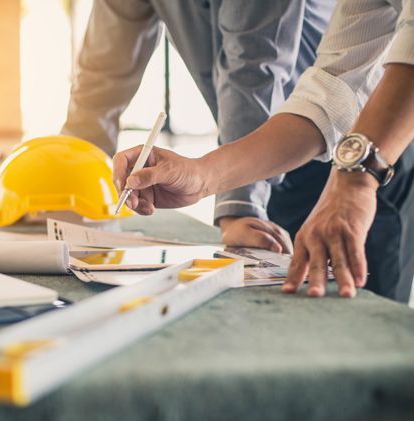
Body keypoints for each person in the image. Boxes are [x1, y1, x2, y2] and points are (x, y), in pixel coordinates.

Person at [113, 0, 414, 300]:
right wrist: (201, 174)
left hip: (385, 156)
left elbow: (253, 67)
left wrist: (354, 180)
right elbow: (332, 91)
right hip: (330, 155)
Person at [62, 0, 335, 257]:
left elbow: (253, 66)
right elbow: (104, 70)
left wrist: (240, 207)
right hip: (249, 163)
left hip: (340, 159)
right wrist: (67, 181)